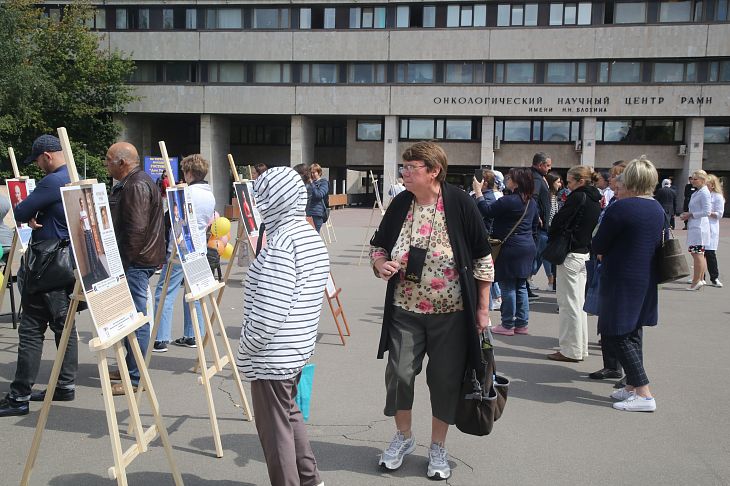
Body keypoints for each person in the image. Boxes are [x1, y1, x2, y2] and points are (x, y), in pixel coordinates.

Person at [370, 142, 493, 480]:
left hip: (451, 312)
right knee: (399, 374)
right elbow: (378, 246)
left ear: (433, 170)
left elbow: (483, 259)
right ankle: (404, 437)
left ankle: (438, 446)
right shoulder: (400, 203)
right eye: (404, 167)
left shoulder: (460, 203)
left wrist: (482, 310)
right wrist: (380, 263)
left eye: (411, 167)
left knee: (444, 381)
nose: (404, 173)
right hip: (405, 308)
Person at [236, 167, 329, 486]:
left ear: (270, 200)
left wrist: (244, 348)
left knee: (277, 438)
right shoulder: (306, 234)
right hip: (296, 349)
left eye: (259, 196)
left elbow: (268, 315)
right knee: (290, 419)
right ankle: (309, 479)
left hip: (273, 355)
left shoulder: (281, 242)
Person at [0, 135, 75, 417]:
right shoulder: (73, 178)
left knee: (31, 330)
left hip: (47, 265)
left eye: (39, 161)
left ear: (47, 155)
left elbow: (20, 210)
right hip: (68, 263)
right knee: (64, 327)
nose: (40, 167)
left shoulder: (53, 181)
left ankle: (18, 396)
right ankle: (65, 384)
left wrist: (34, 211)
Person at [592, 157, 664, 412]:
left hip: (620, 277)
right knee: (632, 332)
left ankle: (644, 392)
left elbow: (599, 243)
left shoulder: (621, 208)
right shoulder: (657, 208)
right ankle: (633, 386)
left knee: (617, 333)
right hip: (645, 277)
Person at [105, 142, 165, 395]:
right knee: (129, 317)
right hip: (138, 259)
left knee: (136, 319)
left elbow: (137, 229)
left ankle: (135, 376)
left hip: (136, 262)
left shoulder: (136, 184)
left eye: (108, 160)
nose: (105, 164)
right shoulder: (134, 182)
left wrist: (123, 263)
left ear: (122, 162)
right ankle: (128, 367)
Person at [153, 154, 216, 352]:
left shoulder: (186, 193)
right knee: (194, 293)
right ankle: (193, 335)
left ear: (189, 173)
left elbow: (175, 221)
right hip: (198, 248)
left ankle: (160, 337)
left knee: (164, 292)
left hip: (180, 249)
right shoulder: (209, 194)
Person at [547, 166, 602, 363]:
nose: (567, 185)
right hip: (583, 254)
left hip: (570, 254)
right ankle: (579, 347)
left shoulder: (578, 197)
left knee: (568, 305)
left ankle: (570, 350)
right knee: (578, 304)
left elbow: (558, 222)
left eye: (569, 181)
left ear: (580, 181)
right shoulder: (596, 198)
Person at [475, 168, 538, 336]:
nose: (507, 180)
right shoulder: (531, 202)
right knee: (521, 285)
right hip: (527, 245)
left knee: (508, 285)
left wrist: (478, 193)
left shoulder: (509, 200)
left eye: (510, 178)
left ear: (516, 182)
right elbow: (534, 226)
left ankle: (507, 324)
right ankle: (522, 324)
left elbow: (487, 212)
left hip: (510, 246)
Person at [589, 161, 628, 382]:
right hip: (605, 263)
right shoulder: (614, 200)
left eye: (614, 176)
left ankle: (628, 371)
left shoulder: (625, 204)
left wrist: (602, 247)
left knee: (625, 325)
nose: (609, 179)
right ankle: (611, 365)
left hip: (619, 268)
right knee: (606, 318)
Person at [680, 170, 712, 291]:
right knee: (698, 254)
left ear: (702, 180)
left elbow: (707, 212)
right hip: (696, 226)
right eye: (692, 179)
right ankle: (700, 279)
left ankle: (696, 280)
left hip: (699, 227)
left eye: (695, 179)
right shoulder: (698, 192)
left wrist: (691, 214)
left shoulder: (704, 193)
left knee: (697, 254)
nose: (692, 181)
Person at [530, 152, 552, 299]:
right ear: (540, 165)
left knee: (537, 256)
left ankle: (526, 285)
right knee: (536, 256)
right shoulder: (536, 178)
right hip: (539, 228)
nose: (550, 168)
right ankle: (526, 284)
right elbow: (533, 197)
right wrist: (537, 216)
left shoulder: (539, 177)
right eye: (548, 165)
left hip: (541, 226)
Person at [78, 197, 109, 287]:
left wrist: (90, 229)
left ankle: (98, 271)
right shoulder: (81, 213)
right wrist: (83, 230)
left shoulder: (86, 212)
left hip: (90, 232)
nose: (82, 204)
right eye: (81, 203)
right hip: (86, 233)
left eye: (83, 202)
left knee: (94, 252)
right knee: (90, 253)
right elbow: (81, 223)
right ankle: (94, 273)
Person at [705, 174, 725, 287]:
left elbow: (719, 214)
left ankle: (714, 277)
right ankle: (699, 277)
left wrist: (707, 212)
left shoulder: (717, 197)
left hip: (711, 227)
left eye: (707, 184)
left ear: (712, 185)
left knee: (710, 254)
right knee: (699, 253)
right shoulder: (701, 194)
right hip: (701, 227)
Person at [308, 163, 329, 233]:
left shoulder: (324, 182)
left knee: (314, 235)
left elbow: (319, 195)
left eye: (314, 173)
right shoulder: (309, 183)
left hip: (316, 213)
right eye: (310, 173)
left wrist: (312, 184)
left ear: (319, 172)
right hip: (307, 212)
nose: (312, 175)